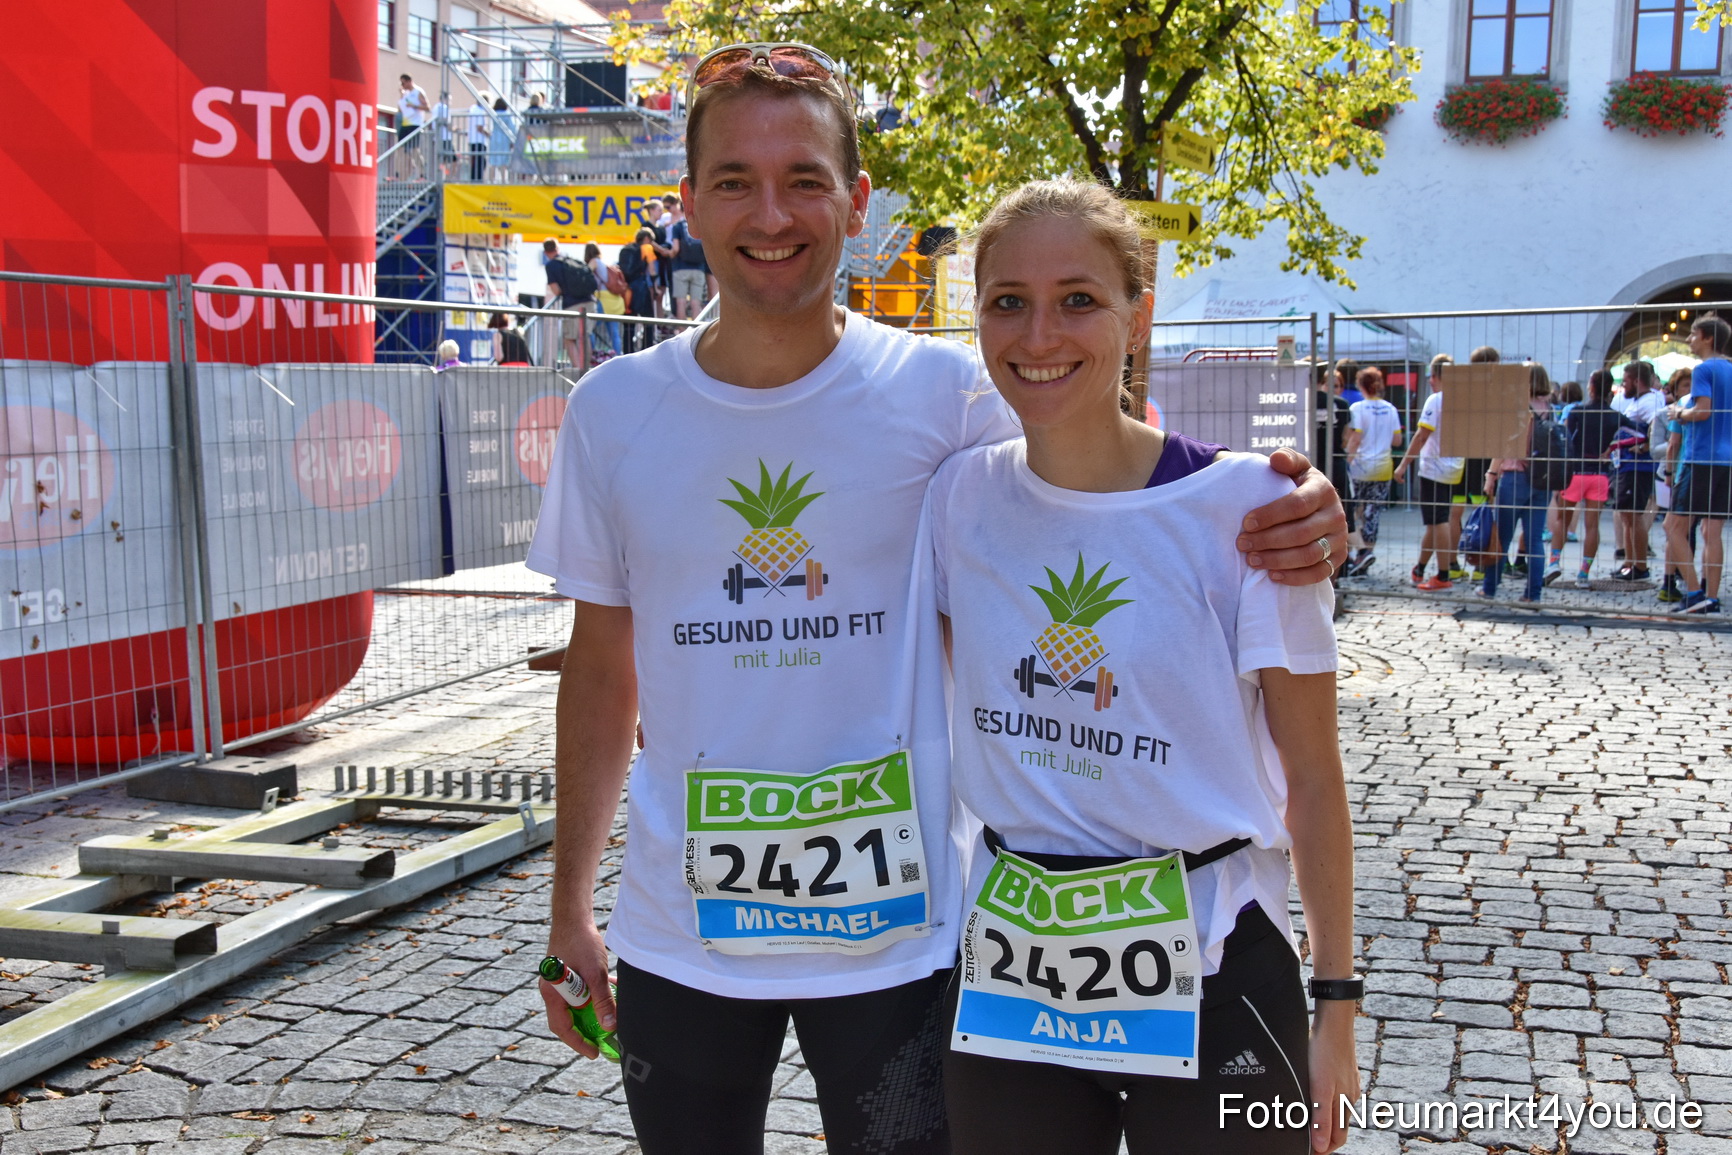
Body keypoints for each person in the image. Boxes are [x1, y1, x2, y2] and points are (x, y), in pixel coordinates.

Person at [524, 42, 1345, 1155]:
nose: (773, 213)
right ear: (690, 205)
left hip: (906, 942)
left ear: (855, 202)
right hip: (684, 931)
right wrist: (570, 899)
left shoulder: (950, 397)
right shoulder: (613, 410)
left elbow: (1107, 483)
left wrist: (1292, 503)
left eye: (806, 178)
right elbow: (601, 664)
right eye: (735, 181)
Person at [930, 177, 1357, 1155]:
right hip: (1015, 958)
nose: (1040, 333)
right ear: (978, 318)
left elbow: (1315, 780)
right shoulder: (958, 497)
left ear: (1137, 316)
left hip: (1214, 955)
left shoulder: (1253, 510)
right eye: (1008, 302)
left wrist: (1334, 1006)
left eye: (1079, 298)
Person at [1662, 315, 1732, 613]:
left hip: (1702, 457)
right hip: (1727, 459)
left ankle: (1693, 593)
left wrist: (1678, 413)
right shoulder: (1730, 368)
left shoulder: (1703, 369)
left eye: (1692, 334)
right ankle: (1711, 598)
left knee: (1672, 526)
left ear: (1706, 338)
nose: (1689, 339)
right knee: (1711, 532)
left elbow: (1702, 411)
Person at [1481, 364, 1556, 603]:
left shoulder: (1517, 408)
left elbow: (1505, 444)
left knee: (1501, 536)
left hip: (1514, 476)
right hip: (1542, 479)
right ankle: (1532, 594)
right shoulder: (1549, 409)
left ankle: (1489, 587)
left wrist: (1491, 474)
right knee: (1534, 540)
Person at [1393, 353, 1465, 590]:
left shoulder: (1436, 400)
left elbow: (1421, 436)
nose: (1430, 381)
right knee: (1434, 523)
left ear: (1436, 376)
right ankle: (1421, 568)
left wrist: (1403, 464)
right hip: (1453, 467)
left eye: (1431, 376)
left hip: (1434, 468)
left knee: (1439, 521)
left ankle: (1443, 576)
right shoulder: (1462, 399)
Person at [1554, 369, 1623, 589]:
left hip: (1575, 472)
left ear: (1590, 387)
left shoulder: (1576, 412)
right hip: (1599, 474)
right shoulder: (1614, 415)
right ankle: (1583, 574)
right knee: (1592, 526)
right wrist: (1613, 447)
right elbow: (1640, 432)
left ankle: (1553, 564)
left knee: (1562, 521)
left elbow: (1566, 441)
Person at [1343, 366, 1402, 577]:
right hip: (1383, 467)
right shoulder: (1391, 409)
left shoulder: (1358, 408)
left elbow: (1355, 439)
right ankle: (1367, 553)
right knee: (1373, 512)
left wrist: (1346, 461)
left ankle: (1356, 555)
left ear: (1361, 385)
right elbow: (1397, 440)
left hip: (1360, 467)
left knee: (1354, 511)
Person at [1609, 360, 1665, 581]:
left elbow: (1658, 425)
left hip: (1637, 467)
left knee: (1634, 515)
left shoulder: (1650, 401)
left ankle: (1639, 566)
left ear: (1636, 380)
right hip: (1627, 465)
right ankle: (1629, 564)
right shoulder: (1641, 400)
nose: (1624, 386)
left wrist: (1645, 446)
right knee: (1627, 515)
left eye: (1625, 381)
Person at [543, 239, 597, 368]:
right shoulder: (573, 261)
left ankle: (578, 370)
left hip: (572, 305)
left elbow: (556, 291)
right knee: (585, 336)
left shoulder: (551, 266)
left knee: (569, 338)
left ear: (546, 252)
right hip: (590, 302)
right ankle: (586, 368)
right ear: (558, 248)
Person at [668, 200, 711, 320]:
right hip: (699, 268)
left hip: (680, 268)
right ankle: (695, 332)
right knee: (695, 302)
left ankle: (682, 331)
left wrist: (668, 254)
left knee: (680, 302)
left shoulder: (677, 226)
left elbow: (675, 249)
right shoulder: (701, 225)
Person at [617, 227, 656, 352]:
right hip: (641, 286)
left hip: (627, 290)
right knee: (648, 320)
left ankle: (627, 351)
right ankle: (647, 349)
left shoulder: (625, 249)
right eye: (650, 241)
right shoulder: (647, 248)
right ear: (646, 238)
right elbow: (652, 270)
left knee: (628, 323)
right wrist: (655, 288)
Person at [585, 243, 624, 358]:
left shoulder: (594, 262)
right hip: (613, 300)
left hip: (602, 299)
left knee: (589, 328)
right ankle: (617, 356)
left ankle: (592, 354)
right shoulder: (604, 264)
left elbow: (586, 274)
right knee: (614, 332)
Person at [397, 74, 432, 176]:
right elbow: (400, 109)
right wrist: (401, 95)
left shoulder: (418, 92)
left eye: (403, 83)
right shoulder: (406, 93)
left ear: (409, 81)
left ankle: (422, 173)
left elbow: (428, 107)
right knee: (401, 149)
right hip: (405, 123)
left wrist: (414, 106)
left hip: (415, 124)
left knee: (414, 149)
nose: (402, 85)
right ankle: (400, 173)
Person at [488, 97, 519, 182]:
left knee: (493, 160)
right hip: (504, 138)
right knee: (503, 160)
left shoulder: (494, 114)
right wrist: (513, 139)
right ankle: (503, 180)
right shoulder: (507, 114)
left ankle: (491, 180)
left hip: (494, 137)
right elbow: (512, 128)